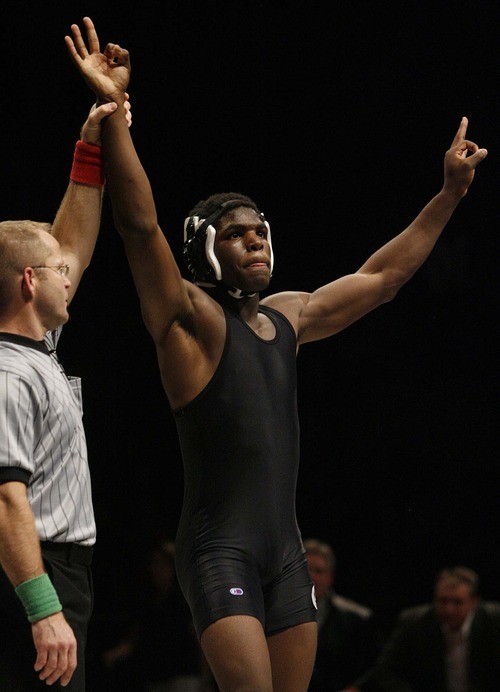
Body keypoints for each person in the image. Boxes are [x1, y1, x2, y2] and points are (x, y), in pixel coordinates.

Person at [65, 16, 488, 692]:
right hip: (218, 553)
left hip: (287, 556)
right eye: (237, 234)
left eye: (260, 232)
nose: (256, 241)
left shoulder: (290, 315)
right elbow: (138, 223)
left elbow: (382, 281)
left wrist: (446, 197)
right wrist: (114, 114)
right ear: (206, 249)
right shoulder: (189, 320)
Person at [0, 97, 131, 690]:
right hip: (33, 571)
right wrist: (42, 607)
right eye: (57, 270)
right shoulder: (8, 374)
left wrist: (92, 141)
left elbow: (72, 238)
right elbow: (5, 501)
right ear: (29, 282)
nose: (70, 273)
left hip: (59, 572)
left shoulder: (38, 344)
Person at [353, 566, 500, 691]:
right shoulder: (414, 622)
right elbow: (385, 670)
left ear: (474, 602)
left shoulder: (494, 622)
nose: (449, 610)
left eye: (457, 602)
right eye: (443, 601)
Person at [101, 539, 211, 692]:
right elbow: (136, 637)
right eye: (153, 564)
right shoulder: (149, 602)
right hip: (155, 678)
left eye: (161, 564)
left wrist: (205, 680)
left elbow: (200, 640)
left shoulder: (183, 600)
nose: (155, 569)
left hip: (184, 678)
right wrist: (115, 654)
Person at [304, 538, 381, 691]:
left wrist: (356, 688)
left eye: (319, 571)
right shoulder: (273, 612)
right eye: (306, 570)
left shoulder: (357, 618)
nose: (311, 577)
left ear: (330, 577)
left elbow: (376, 666)